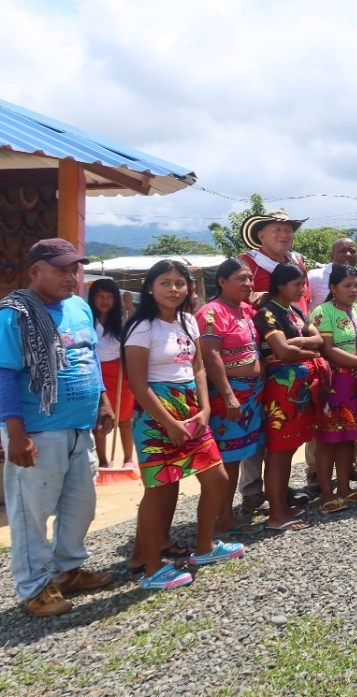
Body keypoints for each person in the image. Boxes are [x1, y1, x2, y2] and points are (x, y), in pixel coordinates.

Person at [0, 239, 114, 616]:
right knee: (31, 512)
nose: (71, 276)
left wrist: (104, 401)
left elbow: (90, 358)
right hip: (37, 431)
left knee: (80, 506)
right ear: (35, 272)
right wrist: (16, 434)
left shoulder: (79, 307)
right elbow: (3, 375)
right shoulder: (13, 315)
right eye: (61, 270)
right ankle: (34, 587)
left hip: (79, 427)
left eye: (75, 269)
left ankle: (67, 571)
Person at [124, 260, 242, 590]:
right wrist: (170, 423)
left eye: (180, 283)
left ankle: (204, 548)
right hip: (155, 416)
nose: (173, 289)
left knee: (216, 477)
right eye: (165, 282)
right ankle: (151, 569)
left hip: (192, 409)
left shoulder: (189, 321)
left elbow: (199, 370)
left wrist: (204, 410)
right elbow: (137, 384)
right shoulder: (141, 327)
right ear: (150, 287)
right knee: (159, 491)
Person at [236, 208, 309, 514]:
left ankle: (280, 485)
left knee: (286, 424)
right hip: (263, 350)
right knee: (259, 420)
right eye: (276, 229)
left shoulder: (298, 262)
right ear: (260, 234)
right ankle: (253, 489)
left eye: (288, 229)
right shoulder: (247, 264)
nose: (283, 234)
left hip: (298, 345)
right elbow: (236, 301)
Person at [253, 261, 327, 532]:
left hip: (299, 388)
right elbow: (281, 352)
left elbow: (318, 341)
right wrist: (305, 350)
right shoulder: (267, 313)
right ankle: (276, 514)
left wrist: (296, 345)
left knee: (289, 448)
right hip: (280, 390)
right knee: (278, 452)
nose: (301, 289)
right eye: (296, 285)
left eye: (303, 284)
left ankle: (282, 506)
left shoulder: (294, 310)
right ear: (280, 285)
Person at [197, 258, 266, 536]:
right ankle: (220, 518)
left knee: (237, 456)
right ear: (222, 281)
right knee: (225, 458)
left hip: (251, 396)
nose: (248, 284)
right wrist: (228, 395)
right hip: (229, 396)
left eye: (250, 279)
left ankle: (226, 514)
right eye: (241, 278)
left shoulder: (245, 310)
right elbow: (210, 354)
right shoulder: (212, 312)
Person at [310, 264, 357, 513]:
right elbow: (326, 349)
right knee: (328, 438)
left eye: (356, 285)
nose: (353, 289)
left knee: (350, 435)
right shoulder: (322, 311)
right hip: (335, 382)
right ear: (332, 288)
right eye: (347, 285)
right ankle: (327, 493)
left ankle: (345, 488)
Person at [89, 277, 135, 469]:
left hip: (120, 373)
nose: (105, 301)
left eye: (109, 297)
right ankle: (103, 461)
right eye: (100, 297)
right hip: (96, 373)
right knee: (100, 420)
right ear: (93, 298)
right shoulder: (88, 320)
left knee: (124, 419)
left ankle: (128, 460)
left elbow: (133, 332)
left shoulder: (121, 320)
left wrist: (129, 307)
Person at [305, 238, 357, 314]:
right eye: (342, 251)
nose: (348, 254)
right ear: (331, 255)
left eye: (352, 251)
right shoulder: (314, 277)